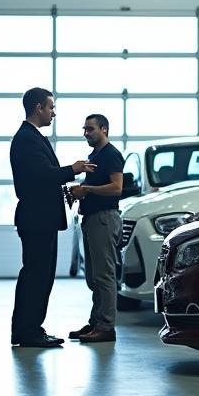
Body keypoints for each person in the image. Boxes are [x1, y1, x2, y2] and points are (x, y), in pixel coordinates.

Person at [9, 87, 95, 349]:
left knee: (40, 275)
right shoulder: (27, 139)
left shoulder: (34, 137)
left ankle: (31, 328)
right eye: (51, 107)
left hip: (41, 218)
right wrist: (73, 170)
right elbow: (42, 176)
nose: (53, 113)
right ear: (38, 108)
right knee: (37, 275)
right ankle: (28, 330)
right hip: (37, 219)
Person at [67, 114, 125, 344]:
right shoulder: (95, 156)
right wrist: (80, 190)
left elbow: (116, 188)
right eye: (84, 129)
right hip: (92, 219)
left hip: (104, 219)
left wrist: (88, 190)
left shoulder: (111, 155)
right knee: (93, 276)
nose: (86, 133)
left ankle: (106, 327)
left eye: (90, 129)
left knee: (104, 275)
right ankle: (96, 322)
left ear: (104, 129)